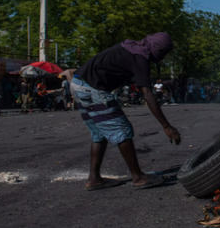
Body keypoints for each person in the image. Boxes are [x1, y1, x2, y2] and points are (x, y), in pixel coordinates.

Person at [70, 32, 181, 191]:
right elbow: (147, 94)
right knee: (122, 129)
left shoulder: (132, 48)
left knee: (100, 134)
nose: (162, 57)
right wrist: (166, 126)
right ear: (157, 48)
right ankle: (138, 177)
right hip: (92, 88)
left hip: (78, 83)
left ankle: (94, 179)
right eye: (163, 52)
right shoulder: (140, 58)